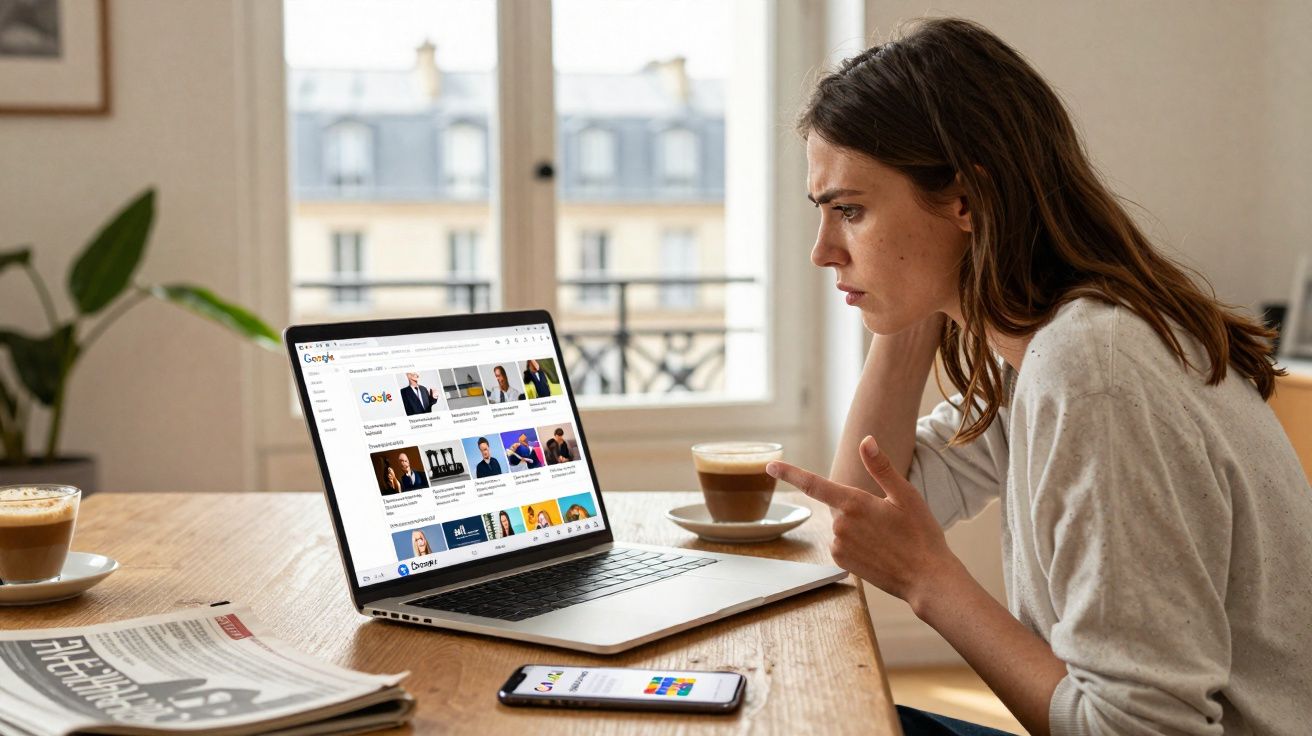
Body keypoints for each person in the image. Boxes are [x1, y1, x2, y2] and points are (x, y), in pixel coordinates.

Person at [764, 17, 1312, 736]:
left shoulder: (1094, 373)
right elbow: (862, 507)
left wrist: (933, 581)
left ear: (967, 199)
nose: (823, 251)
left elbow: (1140, 731)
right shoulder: (1044, 349)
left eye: (851, 212)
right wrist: (909, 310)